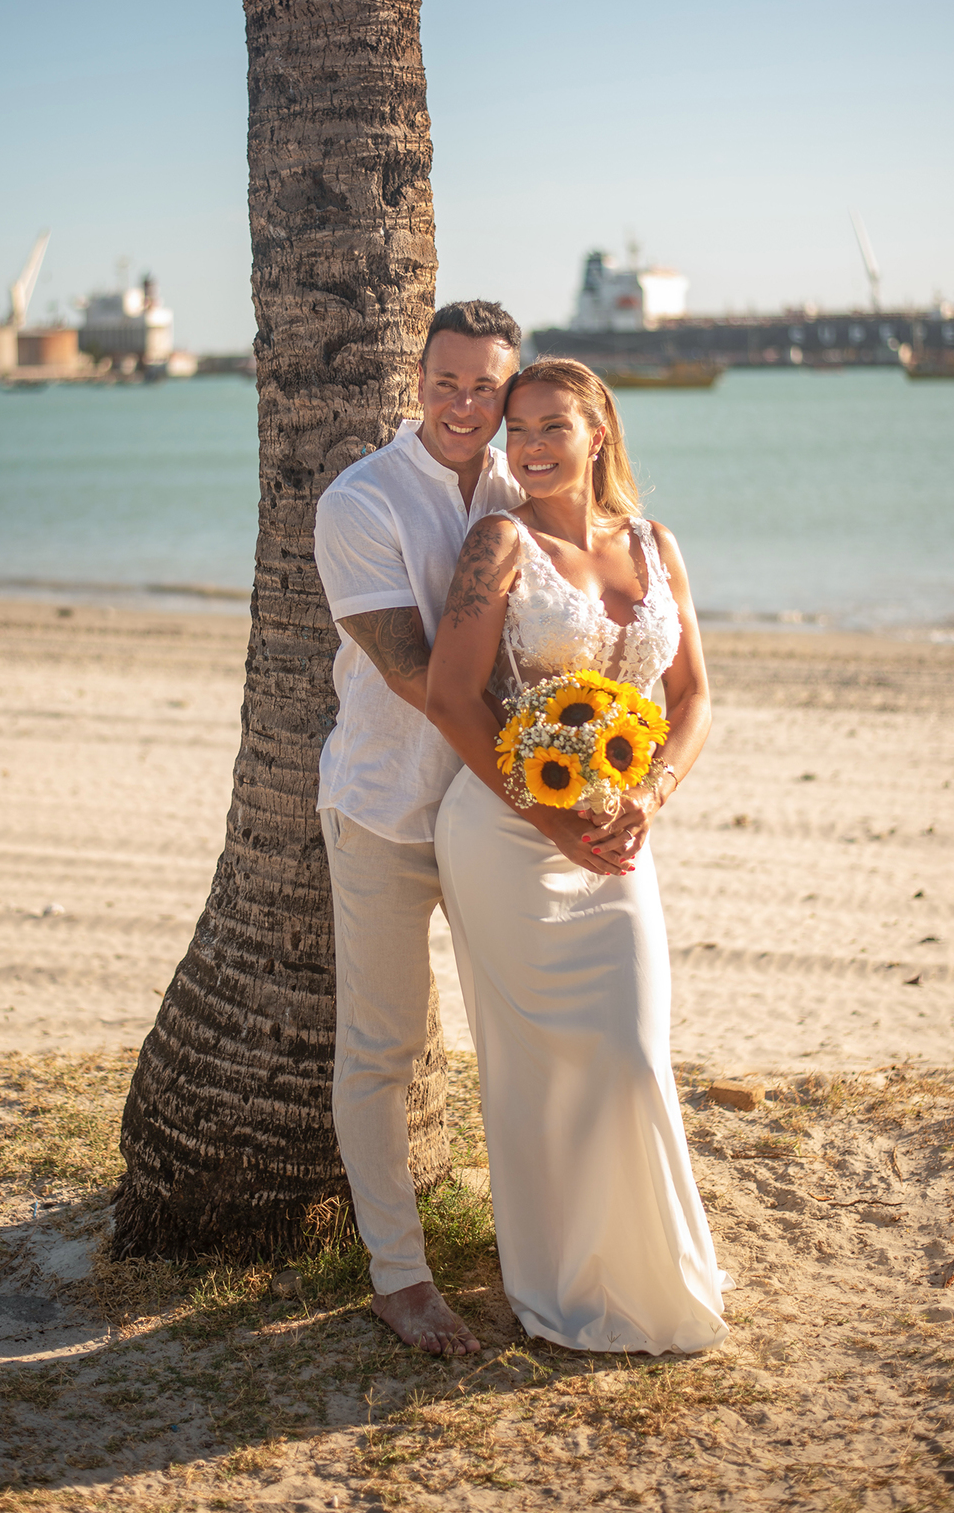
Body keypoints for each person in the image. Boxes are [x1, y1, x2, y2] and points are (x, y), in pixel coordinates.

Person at [425, 357, 732, 1354]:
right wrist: (551, 820)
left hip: (619, 834)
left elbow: (692, 698)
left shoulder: (655, 543)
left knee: (633, 1053)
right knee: (536, 1070)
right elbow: (451, 697)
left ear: (599, 430)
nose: (532, 446)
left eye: (553, 426)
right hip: (508, 838)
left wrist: (648, 792)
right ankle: (560, 1281)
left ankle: (646, 1274)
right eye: (518, 431)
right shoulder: (498, 542)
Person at [313, 299, 524, 1357]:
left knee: (525, 1032)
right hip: (389, 814)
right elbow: (413, 679)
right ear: (417, 374)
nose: (463, 403)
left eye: (485, 385)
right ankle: (398, 1277)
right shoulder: (360, 501)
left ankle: (543, 1249)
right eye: (446, 380)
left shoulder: (516, 484)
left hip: (489, 820)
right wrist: (539, 786)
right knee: (383, 1047)